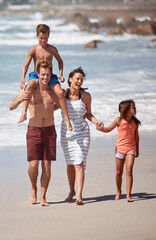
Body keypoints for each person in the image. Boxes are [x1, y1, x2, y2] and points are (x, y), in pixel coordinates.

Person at [9, 61, 60, 206]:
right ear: (38, 74)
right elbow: (11, 106)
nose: (45, 77)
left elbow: (60, 105)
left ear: (51, 75)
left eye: (48, 75)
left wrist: (48, 110)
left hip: (50, 130)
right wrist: (20, 97)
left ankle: (43, 196)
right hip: (34, 130)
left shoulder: (52, 90)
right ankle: (33, 188)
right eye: (43, 74)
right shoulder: (30, 90)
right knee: (33, 165)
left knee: (47, 166)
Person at [17, 24, 72, 131]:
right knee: (28, 88)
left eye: (46, 38)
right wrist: (22, 78)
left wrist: (60, 74)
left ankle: (66, 119)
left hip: (49, 75)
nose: (43, 41)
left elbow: (60, 62)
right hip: (36, 75)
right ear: (37, 36)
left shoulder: (52, 49)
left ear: (49, 36)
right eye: (41, 38)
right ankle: (24, 113)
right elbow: (26, 65)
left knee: (60, 93)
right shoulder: (33, 50)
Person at [61, 67, 102, 205]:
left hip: (82, 132)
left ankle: (79, 196)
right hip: (66, 133)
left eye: (81, 79)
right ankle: (71, 191)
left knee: (79, 163)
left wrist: (97, 123)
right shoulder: (62, 94)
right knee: (70, 165)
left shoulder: (86, 96)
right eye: (77, 78)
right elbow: (52, 105)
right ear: (70, 79)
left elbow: (89, 114)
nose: (79, 81)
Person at [98, 100, 140, 202]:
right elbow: (108, 129)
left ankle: (128, 195)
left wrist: (137, 150)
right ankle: (118, 191)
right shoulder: (119, 120)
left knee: (129, 171)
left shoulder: (135, 122)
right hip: (120, 148)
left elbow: (136, 137)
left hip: (131, 148)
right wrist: (101, 128)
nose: (134, 109)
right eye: (132, 107)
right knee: (118, 172)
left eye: (134, 107)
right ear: (125, 110)